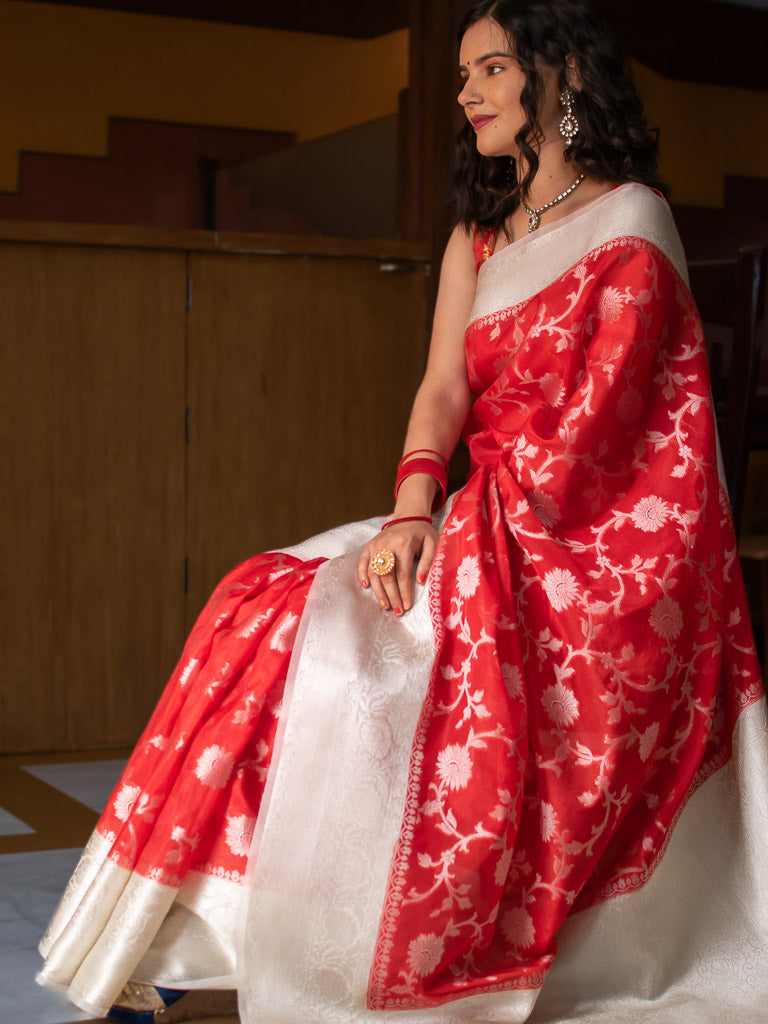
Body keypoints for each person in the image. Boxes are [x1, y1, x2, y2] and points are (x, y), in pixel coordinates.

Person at [38, 1, 767, 1022]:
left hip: (588, 557)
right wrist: (413, 507)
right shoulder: (480, 234)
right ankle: (202, 940)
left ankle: (323, 945)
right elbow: (439, 392)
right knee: (262, 604)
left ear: (559, 80)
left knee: (355, 651)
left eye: (492, 69)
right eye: (462, 72)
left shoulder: (634, 224)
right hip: (474, 516)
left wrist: (479, 532)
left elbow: (619, 444)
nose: (466, 91)